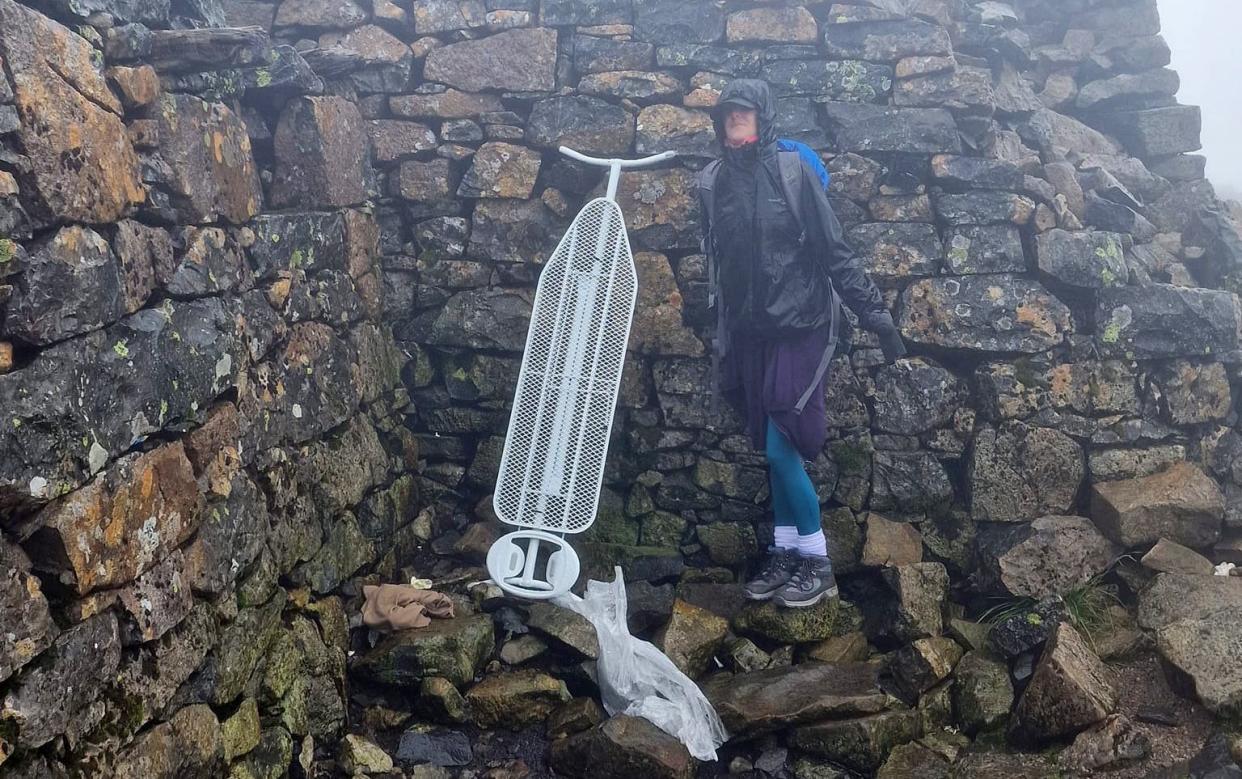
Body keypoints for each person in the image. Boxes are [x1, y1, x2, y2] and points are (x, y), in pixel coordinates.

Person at [698, 79, 907, 608]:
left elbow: (834, 250)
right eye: (726, 115)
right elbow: (719, 266)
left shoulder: (792, 174)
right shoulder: (714, 182)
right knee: (773, 450)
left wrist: (877, 315)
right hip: (752, 333)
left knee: (779, 442)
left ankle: (817, 561)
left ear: (763, 117)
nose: (733, 121)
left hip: (803, 325)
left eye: (742, 113)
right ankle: (785, 550)